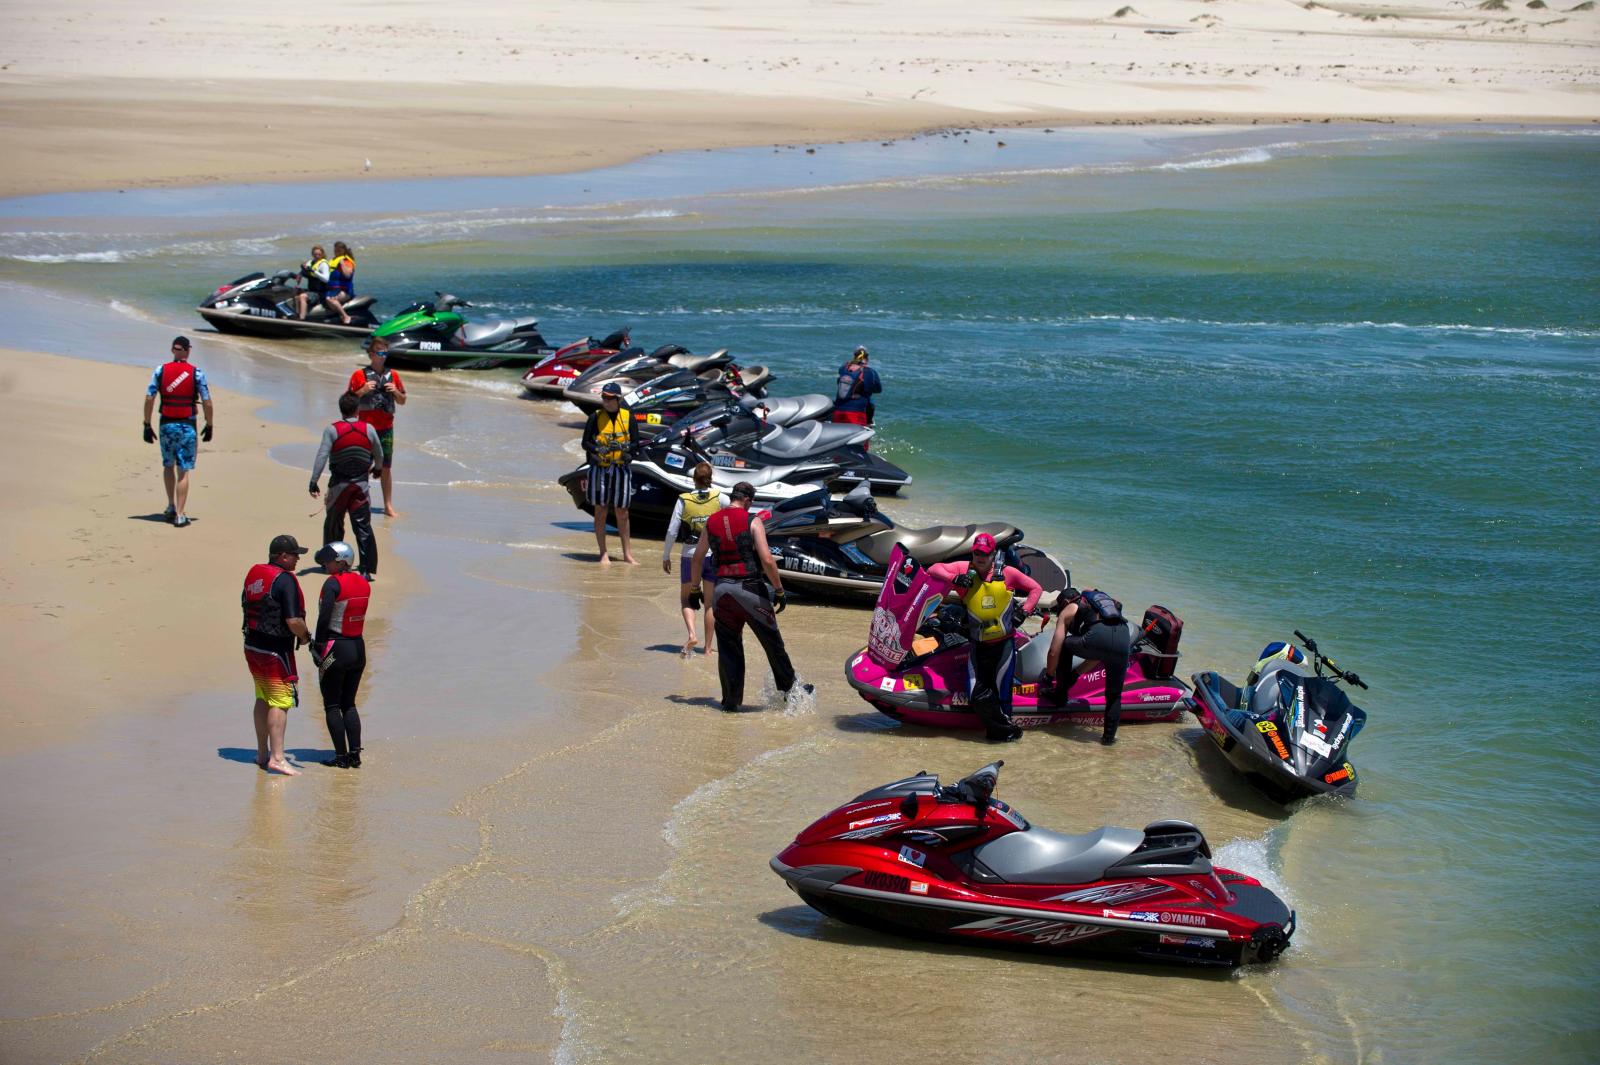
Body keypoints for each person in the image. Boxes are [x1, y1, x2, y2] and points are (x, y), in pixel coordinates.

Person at [690, 481, 807, 713]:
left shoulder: (711, 522)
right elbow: (767, 559)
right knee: (773, 645)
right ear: (748, 501)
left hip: (722, 592)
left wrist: (695, 589)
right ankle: (791, 696)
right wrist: (780, 590)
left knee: (729, 649)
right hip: (750, 590)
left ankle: (730, 702)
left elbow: (697, 558)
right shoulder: (752, 521)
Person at [928, 533, 1042, 743]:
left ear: (992, 555)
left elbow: (1036, 588)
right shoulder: (964, 570)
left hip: (1004, 646)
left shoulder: (1007, 573)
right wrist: (953, 578)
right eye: (977, 552)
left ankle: (1002, 738)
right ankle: (1006, 731)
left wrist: (1024, 611)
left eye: (985, 553)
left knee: (1002, 693)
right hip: (978, 646)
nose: (980, 557)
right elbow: (933, 568)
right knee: (975, 694)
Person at [243, 534, 312, 775]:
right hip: (275, 651)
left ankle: (262, 753)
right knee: (280, 701)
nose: (297, 560)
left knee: (263, 697)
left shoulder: (255, 573)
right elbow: (293, 620)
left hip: (252, 646)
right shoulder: (285, 581)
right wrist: (305, 637)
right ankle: (277, 758)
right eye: (295, 555)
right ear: (283, 556)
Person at [1045, 587, 1133, 746]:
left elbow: (1054, 651)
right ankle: (1108, 741)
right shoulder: (1101, 604)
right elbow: (1103, 651)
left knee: (1065, 645)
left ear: (1065, 602)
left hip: (1098, 638)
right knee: (1114, 696)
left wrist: (1049, 675)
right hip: (1123, 638)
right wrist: (1075, 674)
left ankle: (1060, 695)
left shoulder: (1069, 608)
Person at [142, 335, 214, 528]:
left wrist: (146, 424)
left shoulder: (160, 370)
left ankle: (170, 506)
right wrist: (210, 424)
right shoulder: (196, 373)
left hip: (166, 425)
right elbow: (206, 400)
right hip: (187, 426)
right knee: (183, 470)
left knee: (168, 465)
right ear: (188, 350)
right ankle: (180, 515)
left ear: (173, 350)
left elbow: (150, 398)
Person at [309, 391, 383, 579]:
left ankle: (331, 565)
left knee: (334, 524)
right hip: (360, 486)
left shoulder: (332, 430)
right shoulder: (368, 429)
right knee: (363, 527)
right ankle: (366, 569)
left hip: (338, 486)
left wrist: (314, 480)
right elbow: (379, 453)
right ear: (358, 410)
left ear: (341, 410)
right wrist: (378, 469)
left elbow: (322, 455)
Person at [310, 541, 370, 768]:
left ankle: (341, 757)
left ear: (342, 561)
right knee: (350, 704)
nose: (325, 564)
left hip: (335, 647)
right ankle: (355, 754)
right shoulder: (364, 583)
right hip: (358, 648)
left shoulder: (332, 584)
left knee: (332, 705)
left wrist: (318, 647)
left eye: (328, 560)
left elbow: (324, 618)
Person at [661, 461, 721, 656]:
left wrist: (666, 555)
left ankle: (692, 634)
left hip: (689, 556)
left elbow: (672, 530)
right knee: (710, 604)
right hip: (712, 556)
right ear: (711, 479)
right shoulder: (720, 497)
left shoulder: (683, 500)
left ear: (693, 479)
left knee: (686, 599)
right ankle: (708, 648)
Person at [581, 381, 638, 565]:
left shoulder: (628, 417)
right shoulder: (595, 417)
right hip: (600, 470)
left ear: (617, 399)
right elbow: (585, 443)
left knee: (622, 512)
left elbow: (636, 443)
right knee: (601, 510)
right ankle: (603, 553)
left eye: (609, 398)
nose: (605, 401)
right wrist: (598, 452)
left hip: (621, 469)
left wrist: (628, 452)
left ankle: (627, 555)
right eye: (604, 397)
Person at [348, 337, 406, 517]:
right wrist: (363, 390)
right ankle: (359, 500)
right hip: (365, 428)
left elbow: (403, 400)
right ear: (371, 354)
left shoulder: (393, 375)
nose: (383, 356)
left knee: (386, 467)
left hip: (386, 428)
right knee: (363, 466)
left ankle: (388, 505)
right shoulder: (359, 375)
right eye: (379, 353)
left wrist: (395, 391)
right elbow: (348, 401)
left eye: (385, 353)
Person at [831, 346, 882, 440]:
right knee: (858, 443)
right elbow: (878, 389)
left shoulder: (844, 368)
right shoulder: (869, 371)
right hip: (855, 414)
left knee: (836, 441)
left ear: (854, 356)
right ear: (867, 359)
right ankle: (868, 423)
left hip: (838, 411)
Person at [294, 244, 331, 320]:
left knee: (302, 296)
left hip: (320, 293)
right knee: (296, 294)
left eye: (319, 254)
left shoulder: (323, 264)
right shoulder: (310, 263)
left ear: (322, 254)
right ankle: (296, 315)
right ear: (312, 254)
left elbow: (326, 279)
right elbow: (302, 273)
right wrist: (299, 277)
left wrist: (314, 271)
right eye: (315, 254)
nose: (317, 256)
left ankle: (302, 319)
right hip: (311, 291)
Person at [324, 241, 357, 324]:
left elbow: (347, 276)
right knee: (328, 299)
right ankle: (339, 316)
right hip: (332, 289)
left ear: (343, 251)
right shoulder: (332, 260)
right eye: (335, 250)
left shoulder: (347, 261)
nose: (336, 252)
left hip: (345, 290)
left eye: (339, 250)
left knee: (330, 299)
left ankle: (345, 316)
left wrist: (342, 264)